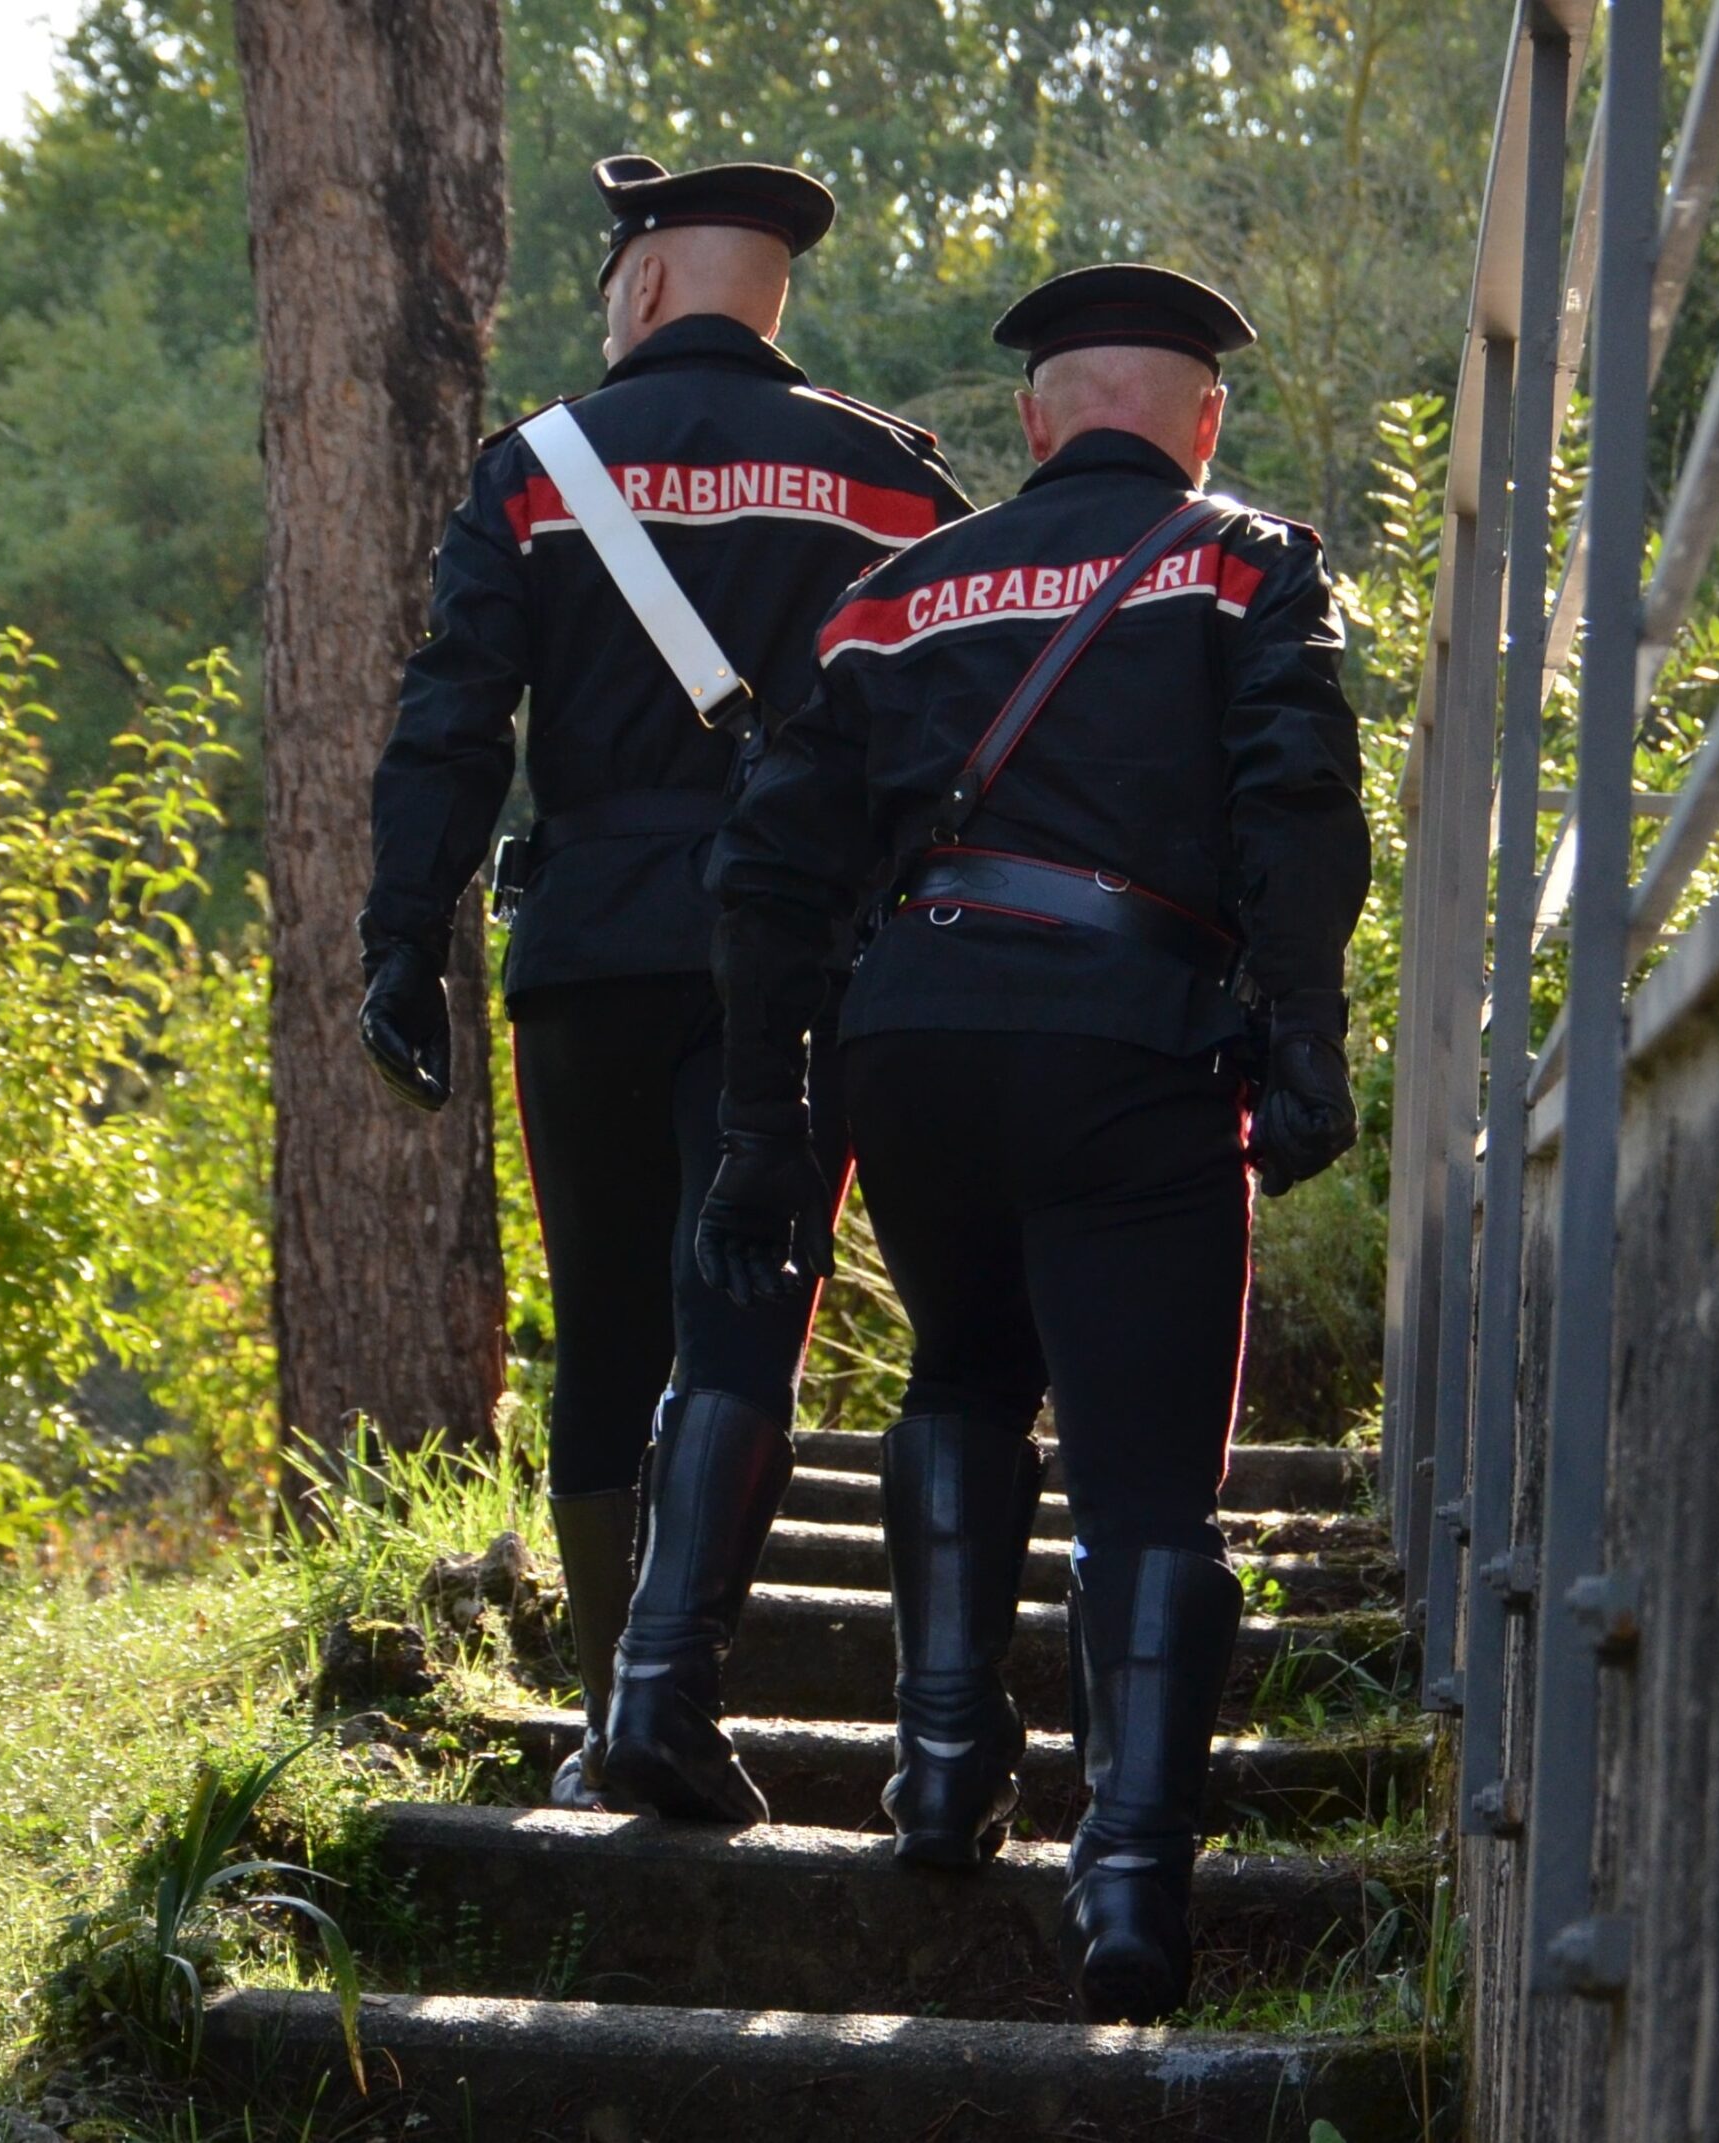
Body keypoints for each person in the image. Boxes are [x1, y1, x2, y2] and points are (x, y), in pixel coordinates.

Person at [694, 263, 1368, 2020]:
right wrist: (1306, 1035)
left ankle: (940, 1773)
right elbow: (1296, 796)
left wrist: (767, 1118)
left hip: (911, 1040)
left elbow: (770, 869)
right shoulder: (1246, 562)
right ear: (1199, 419)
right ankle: (1134, 1882)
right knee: (1147, 1470)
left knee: (965, 1367)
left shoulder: (896, 592)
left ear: (1036, 419)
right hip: (1131, 1039)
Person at [357, 155, 970, 1818]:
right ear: (777, 293)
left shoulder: (538, 468)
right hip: (798, 961)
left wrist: (401, 938)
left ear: (638, 285)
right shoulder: (888, 483)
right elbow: (959, 730)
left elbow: (453, 720)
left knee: (609, 1326)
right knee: (744, 1316)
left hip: (588, 951)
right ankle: (670, 1696)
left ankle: (596, 1713)